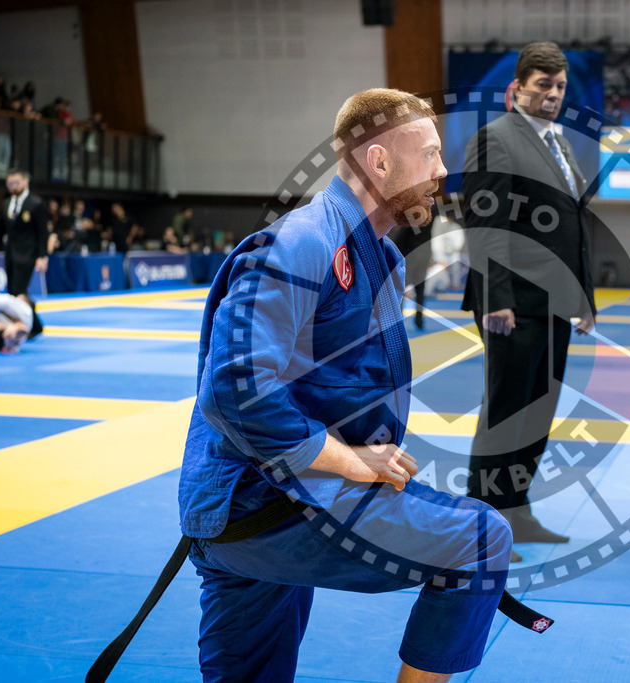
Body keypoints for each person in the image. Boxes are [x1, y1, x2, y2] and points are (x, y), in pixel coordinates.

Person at [179, 88, 511, 683]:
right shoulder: (301, 242)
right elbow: (233, 387)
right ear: (379, 162)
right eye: (430, 154)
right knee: (481, 541)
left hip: (275, 498)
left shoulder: (382, 258)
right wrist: (350, 461)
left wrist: (365, 459)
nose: (442, 170)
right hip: (264, 505)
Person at [460, 41, 596, 558]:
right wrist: (496, 297)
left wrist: (584, 297)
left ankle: (517, 513)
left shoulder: (559, 145)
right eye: (544, 85)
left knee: (538, 414)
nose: (554, 95)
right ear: (518, 88)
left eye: (560, 86)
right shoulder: (496, 139)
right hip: (512, 303)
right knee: (506, 413)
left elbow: (573, 229)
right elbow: (485, 222)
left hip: (556, 303)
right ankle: (480, 526)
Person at [0, 169, 49, 296]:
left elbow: (43, 232)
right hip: (10, 254)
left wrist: (42, 256)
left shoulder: (36, 204)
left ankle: (28, 315)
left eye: (16, 183)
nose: (13, 186)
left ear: (25, 181)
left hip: (28, 254)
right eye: (10, 184)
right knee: (11, 290)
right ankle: (21, 315)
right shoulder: (5, 204)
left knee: (19, 290)